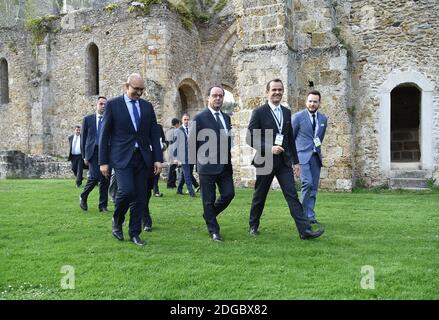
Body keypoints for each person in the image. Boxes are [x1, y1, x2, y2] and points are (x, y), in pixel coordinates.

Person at [246, 78, 324, 240]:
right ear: (267, 92)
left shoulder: (287, 112)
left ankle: (305, 230)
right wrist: (269, 148)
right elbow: (250, 137)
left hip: (284, 162)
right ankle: (253, 225)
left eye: (280, 90)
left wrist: (295, 162)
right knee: (260, 195)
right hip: (266, 160)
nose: (277, 92)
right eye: (274, 90)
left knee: (292, 195)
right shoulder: (259, 112)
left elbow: (289, 140)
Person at [99, 73, 162, 246]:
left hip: (143, 158)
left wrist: (158, 158)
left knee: (141, 198)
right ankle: (117, 220)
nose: (139, 93)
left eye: (142, 89)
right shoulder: (113, 105)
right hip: (121, 157)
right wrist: (103, 162)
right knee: (126, 191)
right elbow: (104, 135)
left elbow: (154, 134)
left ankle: (135, 233)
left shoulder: (147, 107)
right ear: (126, 86)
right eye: (136, 89)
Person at [189, 85, 235, 241]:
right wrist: (197, 164)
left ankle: (208, 215)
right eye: (214, 95)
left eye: (220, 96)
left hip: (225, 166)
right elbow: (191, 143)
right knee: (208, 200)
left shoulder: (226, 117)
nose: (218, 98)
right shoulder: (200, 118)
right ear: (208, 98)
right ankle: (214, 230)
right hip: (207, 166)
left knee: (229, 194)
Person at [292, 90, 328, 224]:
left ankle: (310, 216)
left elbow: (320, 138)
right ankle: (301, 215)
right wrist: (293, 161)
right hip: (302, 157)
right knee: (307, 183)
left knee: (313, 188)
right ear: (306, 102)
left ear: (319, 103)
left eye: (315, 101)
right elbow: (291, 138)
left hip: (315, 157)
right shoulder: (297, 117)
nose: (312, 104)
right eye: (310, 101)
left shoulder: (323, 119)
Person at [79, 96, 110, 213]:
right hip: (93, 152)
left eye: (105, 104)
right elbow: (84, 138)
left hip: (106, 152)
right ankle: (83, 195)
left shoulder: (109, 119)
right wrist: (84, 156)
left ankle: (102, 206)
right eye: (101, 104)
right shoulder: (88, 119)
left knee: (105, 179)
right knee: (95, 177)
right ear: (96, 105)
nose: (103, 106)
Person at [175, 113, 197, 197]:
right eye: (185, 119)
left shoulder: (192, 130)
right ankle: (192, 193)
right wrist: (176, 158)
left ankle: (179, 189)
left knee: (186, 174)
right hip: (183, 155)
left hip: (191, 155)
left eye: (188, 119)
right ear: (182, 120)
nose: (186, 121)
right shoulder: (178, 130)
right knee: (187, 174)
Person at [152, 123, 168, 197]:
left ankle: (156, 190)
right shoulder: (143, 125)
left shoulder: (159, 127)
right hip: (147, 153)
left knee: (157, 172)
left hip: (158, 152)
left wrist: (164, 145)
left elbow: (163, 139)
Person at [166, 118, 180, 189]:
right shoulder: (175, 131)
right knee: (172, 167)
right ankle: (170, 183)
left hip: (170, 148)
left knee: (173, 167)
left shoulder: (169, 131)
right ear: (177, 124)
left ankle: (172, 183)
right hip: (174, 148)